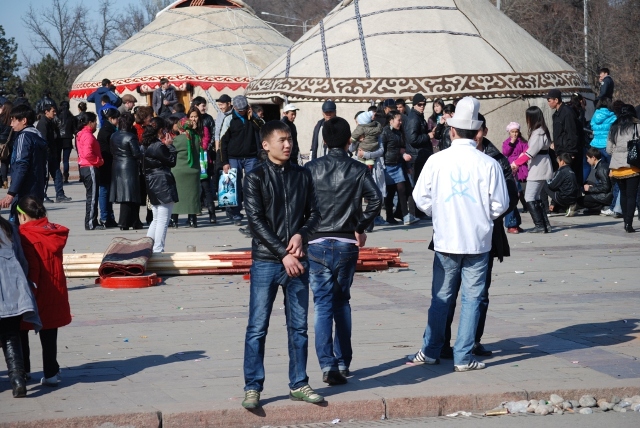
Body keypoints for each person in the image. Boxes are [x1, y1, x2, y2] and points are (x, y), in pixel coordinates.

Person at [409, 97, 508, 372]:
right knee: (472, 299)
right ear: (478, 132)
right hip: (477, 241)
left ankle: (431, 350)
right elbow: (500, 204)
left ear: (452, 131)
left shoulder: (436, 160)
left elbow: (419, 198)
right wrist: (481, 217)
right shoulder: (488, 164)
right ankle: (463, 357)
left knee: (441, 297)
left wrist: (439, 212)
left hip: (446, 240)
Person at [241, 120, 322, 409]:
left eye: (290, 139)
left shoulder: (303, 175)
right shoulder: (255, 177)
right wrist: (282, 253)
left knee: (298, 327)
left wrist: (302, 234)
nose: (288, 145)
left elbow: (315, 213)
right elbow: (256, 222)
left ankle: (299, 382)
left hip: (298, 261)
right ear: (266, 145)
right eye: (281, 140)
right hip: (266, 262)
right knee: (257, 328)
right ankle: (253, 387)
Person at [305, 116, 381, 385]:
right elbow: (376, 199)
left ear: (324, 140)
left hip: (316, 242)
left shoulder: (311, 168)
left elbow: (299, 203)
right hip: (347, 242)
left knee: (323, 304)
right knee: (342, 302)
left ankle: (328, 364)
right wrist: (360, 226)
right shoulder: (358, 169)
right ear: (350, 140)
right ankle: (343, 361)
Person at [440, 113, 518, 360]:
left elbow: (509, 196)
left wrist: (483, 215)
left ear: (483, 131)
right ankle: (442, 343)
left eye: (479, 130)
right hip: (450, 233)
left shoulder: (494, 159)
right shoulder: (447, 156)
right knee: (447, 292)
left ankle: (473, 340)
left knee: (479, 293)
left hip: (484, 234)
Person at [16, 196, 70, 387]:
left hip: (34, 290)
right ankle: (51, 373)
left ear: (22, 217)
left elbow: (33, 269)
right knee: (49, 333)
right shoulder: (53, 232)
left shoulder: (25, 236)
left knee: (21, 330)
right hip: (54, 289)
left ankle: (24, 370)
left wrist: (28, 292)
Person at [0, 212, 41, 398]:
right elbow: (22, 260)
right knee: (11, 336)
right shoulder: (8, 228)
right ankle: (18, 380)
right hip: (13, 291)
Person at [220, 95, 262, 226]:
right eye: (240, 110)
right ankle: (236, 214)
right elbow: (223, 142)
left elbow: (263, 128)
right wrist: (224, 161)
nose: (242, 111)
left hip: (251, 156)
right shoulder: (229, 119)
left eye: (244, 109)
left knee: (251, 186)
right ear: (235, 107)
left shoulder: (252, 118)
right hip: (234, 157)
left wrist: (253, 116)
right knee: (235, 187)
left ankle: (252, 213)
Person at [511, 107, 554, 233]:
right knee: (535, 197)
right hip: (541, 165)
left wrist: (516, 163)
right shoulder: (541, 131)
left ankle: (540, 225)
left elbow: (530, 152)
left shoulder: (538, 133)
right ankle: (545, 225)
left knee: (529, 197)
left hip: (538, 167)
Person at [0, 105, 48, 217]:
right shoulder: (37, 135)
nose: (11, 124)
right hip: (36, 190)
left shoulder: (24, 137)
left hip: (24, 192)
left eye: (14, 120)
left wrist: (11, 193)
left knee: (18, 228)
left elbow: (21, 165)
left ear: (24, 120)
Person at [143, 118, 178, 252]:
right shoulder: (158, 146)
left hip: (153, 182)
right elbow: (172, 161)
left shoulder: (148, 144)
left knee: (157, 218)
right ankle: (158, 249)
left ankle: (147, 247)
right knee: (162, 219)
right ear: (160, 130)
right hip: (161, 183)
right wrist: (170, 146)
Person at [607, 105, 640, 232]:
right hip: (633, 166)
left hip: (617, 167)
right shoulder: (637, 127)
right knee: (632, 196)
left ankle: (625, 221)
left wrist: (617, 153)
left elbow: (608, 149)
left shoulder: (614, 128)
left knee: (624, 195)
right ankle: (629, 224)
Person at [381, 110, 415, 225]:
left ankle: (405, 215)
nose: (400, 122)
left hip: (398, 164)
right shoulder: (384, 132)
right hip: (388, 165)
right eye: (398, 120)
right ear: (391, 121)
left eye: (401, 120)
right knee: (390, 192)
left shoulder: (399, 132)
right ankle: (389, 216)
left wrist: (406, 164)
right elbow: (382, 150)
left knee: (402, 189)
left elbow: (402, 149)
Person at [110, 112, 142, 230]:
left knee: (126, 194)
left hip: (117, 165)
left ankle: (133, 221)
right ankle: (125, 222)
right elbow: (137, 153)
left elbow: (112, 150)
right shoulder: (130, 136)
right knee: (130, 194)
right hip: (129, 166)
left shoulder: (114, 136)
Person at [76, 112, 105, 230]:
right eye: (95, 121)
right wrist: (98, 161)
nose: (96, 124)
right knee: (92, 196)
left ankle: (92, 220)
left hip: (85, 167)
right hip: (90, 167)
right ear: (90, 123)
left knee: (92, 195)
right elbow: (88, 153)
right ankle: (90, 222)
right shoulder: (87, 135)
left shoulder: (81, 134)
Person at [170, 118, 201, 228]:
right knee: (192, 196)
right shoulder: (196, 138)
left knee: (176, 196)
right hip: (193, 171)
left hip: (178, 171)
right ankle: (192, 220)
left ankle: (174, 219)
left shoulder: (177, 140)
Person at [37, 104, 71, 204]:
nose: (55, 113)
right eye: (53, 111)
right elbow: (43, 139)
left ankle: (60, 194)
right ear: (46, 112)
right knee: (45, 176)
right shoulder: (43, 123)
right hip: (46, 154)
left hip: (52, 154)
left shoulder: (50, 122)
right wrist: (47, 152)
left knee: (57, 174)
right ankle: (42, 195)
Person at [547, 89, 582, 184]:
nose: (548, 103)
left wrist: (571, 153)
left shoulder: (567, 113)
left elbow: (572, 133)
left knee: (569, 180)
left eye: (549, 100)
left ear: (556, 100)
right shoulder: (556, 115)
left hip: (568, 152)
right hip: (560, 151)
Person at [191, 98, 217, 224]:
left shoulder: (205, 124)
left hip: (203, 159)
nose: (194, 119)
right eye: (192, 117)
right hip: (191, 161)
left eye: (195, 117)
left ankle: (212, 214)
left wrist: (205, 148)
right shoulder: (187, 128)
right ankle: (194, 215)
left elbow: (208, 139)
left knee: (206, 187)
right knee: (193, 189)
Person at [501, 122, 528, 233]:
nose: (515, 134)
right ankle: (511, 224)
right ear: (509, 132)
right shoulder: (507, 142)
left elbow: (527, 152)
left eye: (516, 132)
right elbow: (505, 152)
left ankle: (515, 223)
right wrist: (511, 143)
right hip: (511, 170)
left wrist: (518, 162)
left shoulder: (523, 142)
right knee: (513, 196)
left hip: (521, 169)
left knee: (519, 195)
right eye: (513, 132)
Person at [96, 108, 119, 228]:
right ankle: (105, 217)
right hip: (105, 164)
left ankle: (109, 217)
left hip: (108, 163)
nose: (118, 121)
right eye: (117, 118)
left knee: (108, 191)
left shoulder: (109, 129)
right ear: (111, 119)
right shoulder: (107, 131)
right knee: (104, 191)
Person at [578, 147, 613, 213]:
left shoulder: (601, 169)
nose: (587, 160)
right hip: (606, 194)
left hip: (606, 196)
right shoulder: (601, 165)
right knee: (587, 184)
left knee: (580, 201)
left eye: (588, 158)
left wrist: (590, 189)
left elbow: (606, 187)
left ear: (593, 158)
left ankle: (601, 207)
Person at [56, 101, 75, 183]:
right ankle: (65, 175)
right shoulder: (71, 117)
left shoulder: (57, 116)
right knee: (65, 160)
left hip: (59, 138)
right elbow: (74, 129)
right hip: (68, 138)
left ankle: (57, 175)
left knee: (57, 159)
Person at [0, 100, 13, 189]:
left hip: (1, 142)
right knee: (11, 162)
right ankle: (12, 180)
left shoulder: (1, 118)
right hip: (10, 142)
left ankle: (4, 180)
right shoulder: (12, 119)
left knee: (4, 162)